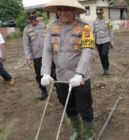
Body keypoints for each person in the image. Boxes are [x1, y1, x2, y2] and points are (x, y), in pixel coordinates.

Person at [41, 0, 95, 139]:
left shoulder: (85, 28)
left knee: (85, 108)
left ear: (74, 11)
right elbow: (47, 51)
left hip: (80, 78)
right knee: (68, 106)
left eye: (67, 9)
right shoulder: (52, 27)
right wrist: (45, 72)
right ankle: (77, 130)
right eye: (60, 9)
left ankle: (89, 134)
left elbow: (87, 50)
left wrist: (80, 73)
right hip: (61, 77)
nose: (63, 13)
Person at [23, 9, 55, 100]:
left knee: (53, 72)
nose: (32, 20)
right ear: (28, 19)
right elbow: (26, 45)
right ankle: (44, 91)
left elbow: (52, 38)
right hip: (37, 56)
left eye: (34, 18)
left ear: (37, 17)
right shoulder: (26, 30)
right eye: (30, 18)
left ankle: (56, 86)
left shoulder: (45, 26)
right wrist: (29, 58)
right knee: (39, 75)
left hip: (48, 54)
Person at [93, 8, 114, 75]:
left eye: (100, 13)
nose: (99, 15)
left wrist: (111, 41)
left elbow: (111, 31)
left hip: (106, 40)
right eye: (98, 14)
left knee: (104, 54)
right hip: (98, 41)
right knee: (101, 56)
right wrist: (94, 41)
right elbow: (94, 33)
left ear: (103, 13)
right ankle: (104, 69)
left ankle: (107, 67)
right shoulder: (95, 22)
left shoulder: (108, 21)